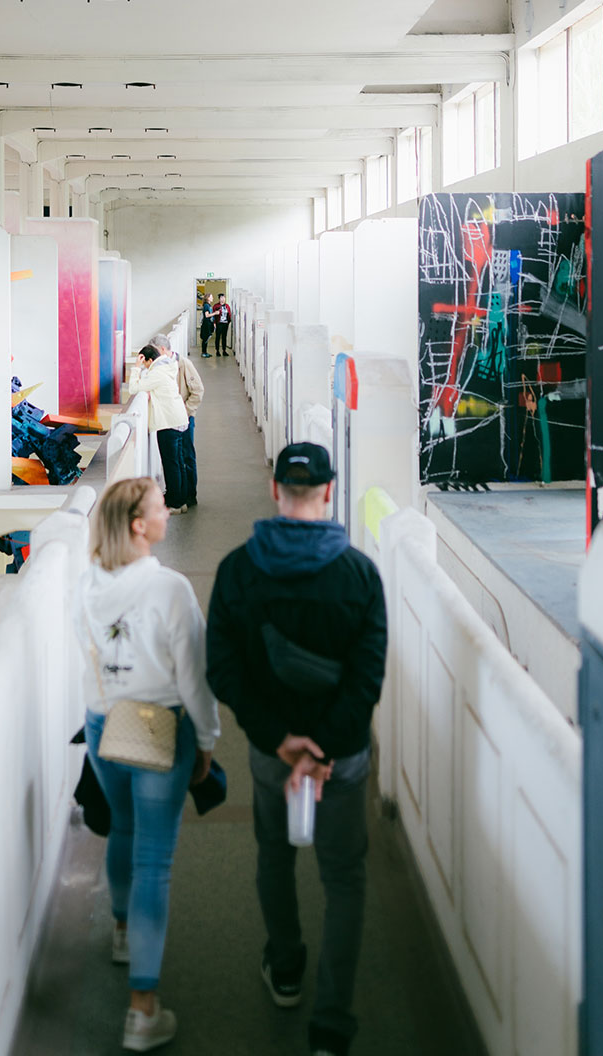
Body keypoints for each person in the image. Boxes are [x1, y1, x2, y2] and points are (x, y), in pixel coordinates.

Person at [207, 442, 387, 1056]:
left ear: (275, 490)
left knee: (274, 856)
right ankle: (332, 1024)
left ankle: (285, 969)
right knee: (344, 879)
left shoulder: (237, 571)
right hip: (344, 756)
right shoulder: (361, 575)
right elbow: (368, 676)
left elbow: (223, 669)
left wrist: (282, 741)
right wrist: (326, 748)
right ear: (331, 493)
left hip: (269, 754)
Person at [76, 476, 220, 1052]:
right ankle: (142, 1009)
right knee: (154, 863)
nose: (166, 514)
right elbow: (195, 677)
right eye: (160, 508)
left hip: (101, 726)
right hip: (159, 729)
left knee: (122, 828)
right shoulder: (170, 590)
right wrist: (206, 741)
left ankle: (119, 930)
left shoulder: (87, 586)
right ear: (138, 525)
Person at [128, 345, 190, 514]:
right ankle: (181, 500)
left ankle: (174, 504)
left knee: (171, 464)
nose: (145, 367)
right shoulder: (167, 367)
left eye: (145, 363)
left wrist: (135, 368)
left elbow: (133, 388)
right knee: (178, 462)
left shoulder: (157, 373)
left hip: (168, 421)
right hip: (178, 418)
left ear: (149, 360)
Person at [150, 333, 204, 508]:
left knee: (186, 455)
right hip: (169, 420)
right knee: (175, 458)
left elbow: (198, 391)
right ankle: (178, 494)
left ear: (163, 349)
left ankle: (190, 495)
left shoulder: (183, 365)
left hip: (184, 419)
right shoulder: (160, 367)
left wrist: (185, 413)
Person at [213, 293, 232, 357]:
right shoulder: (216, 306)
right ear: (219, 299)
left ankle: (224, 350)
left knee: (224, 337)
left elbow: (229, 314)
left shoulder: (227, 306)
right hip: (219, 323)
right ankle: (217, 350)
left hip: (225, 323)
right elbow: (213, 315)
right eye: (221, 298)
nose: (223, 299)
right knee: (218, 337)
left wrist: (229, 321)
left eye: (224, 298)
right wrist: (214, 323)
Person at [200, 293, 215, 358]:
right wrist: (215, 313)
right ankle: (203, 352)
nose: (212, 298)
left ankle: (205, 352)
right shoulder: (206, 305)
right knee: (205, 339)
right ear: (208, 298)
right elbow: (207, 315)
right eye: (211, 297)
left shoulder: (208, 305)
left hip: (209, 324)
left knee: (206, 339)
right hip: (206, 325)